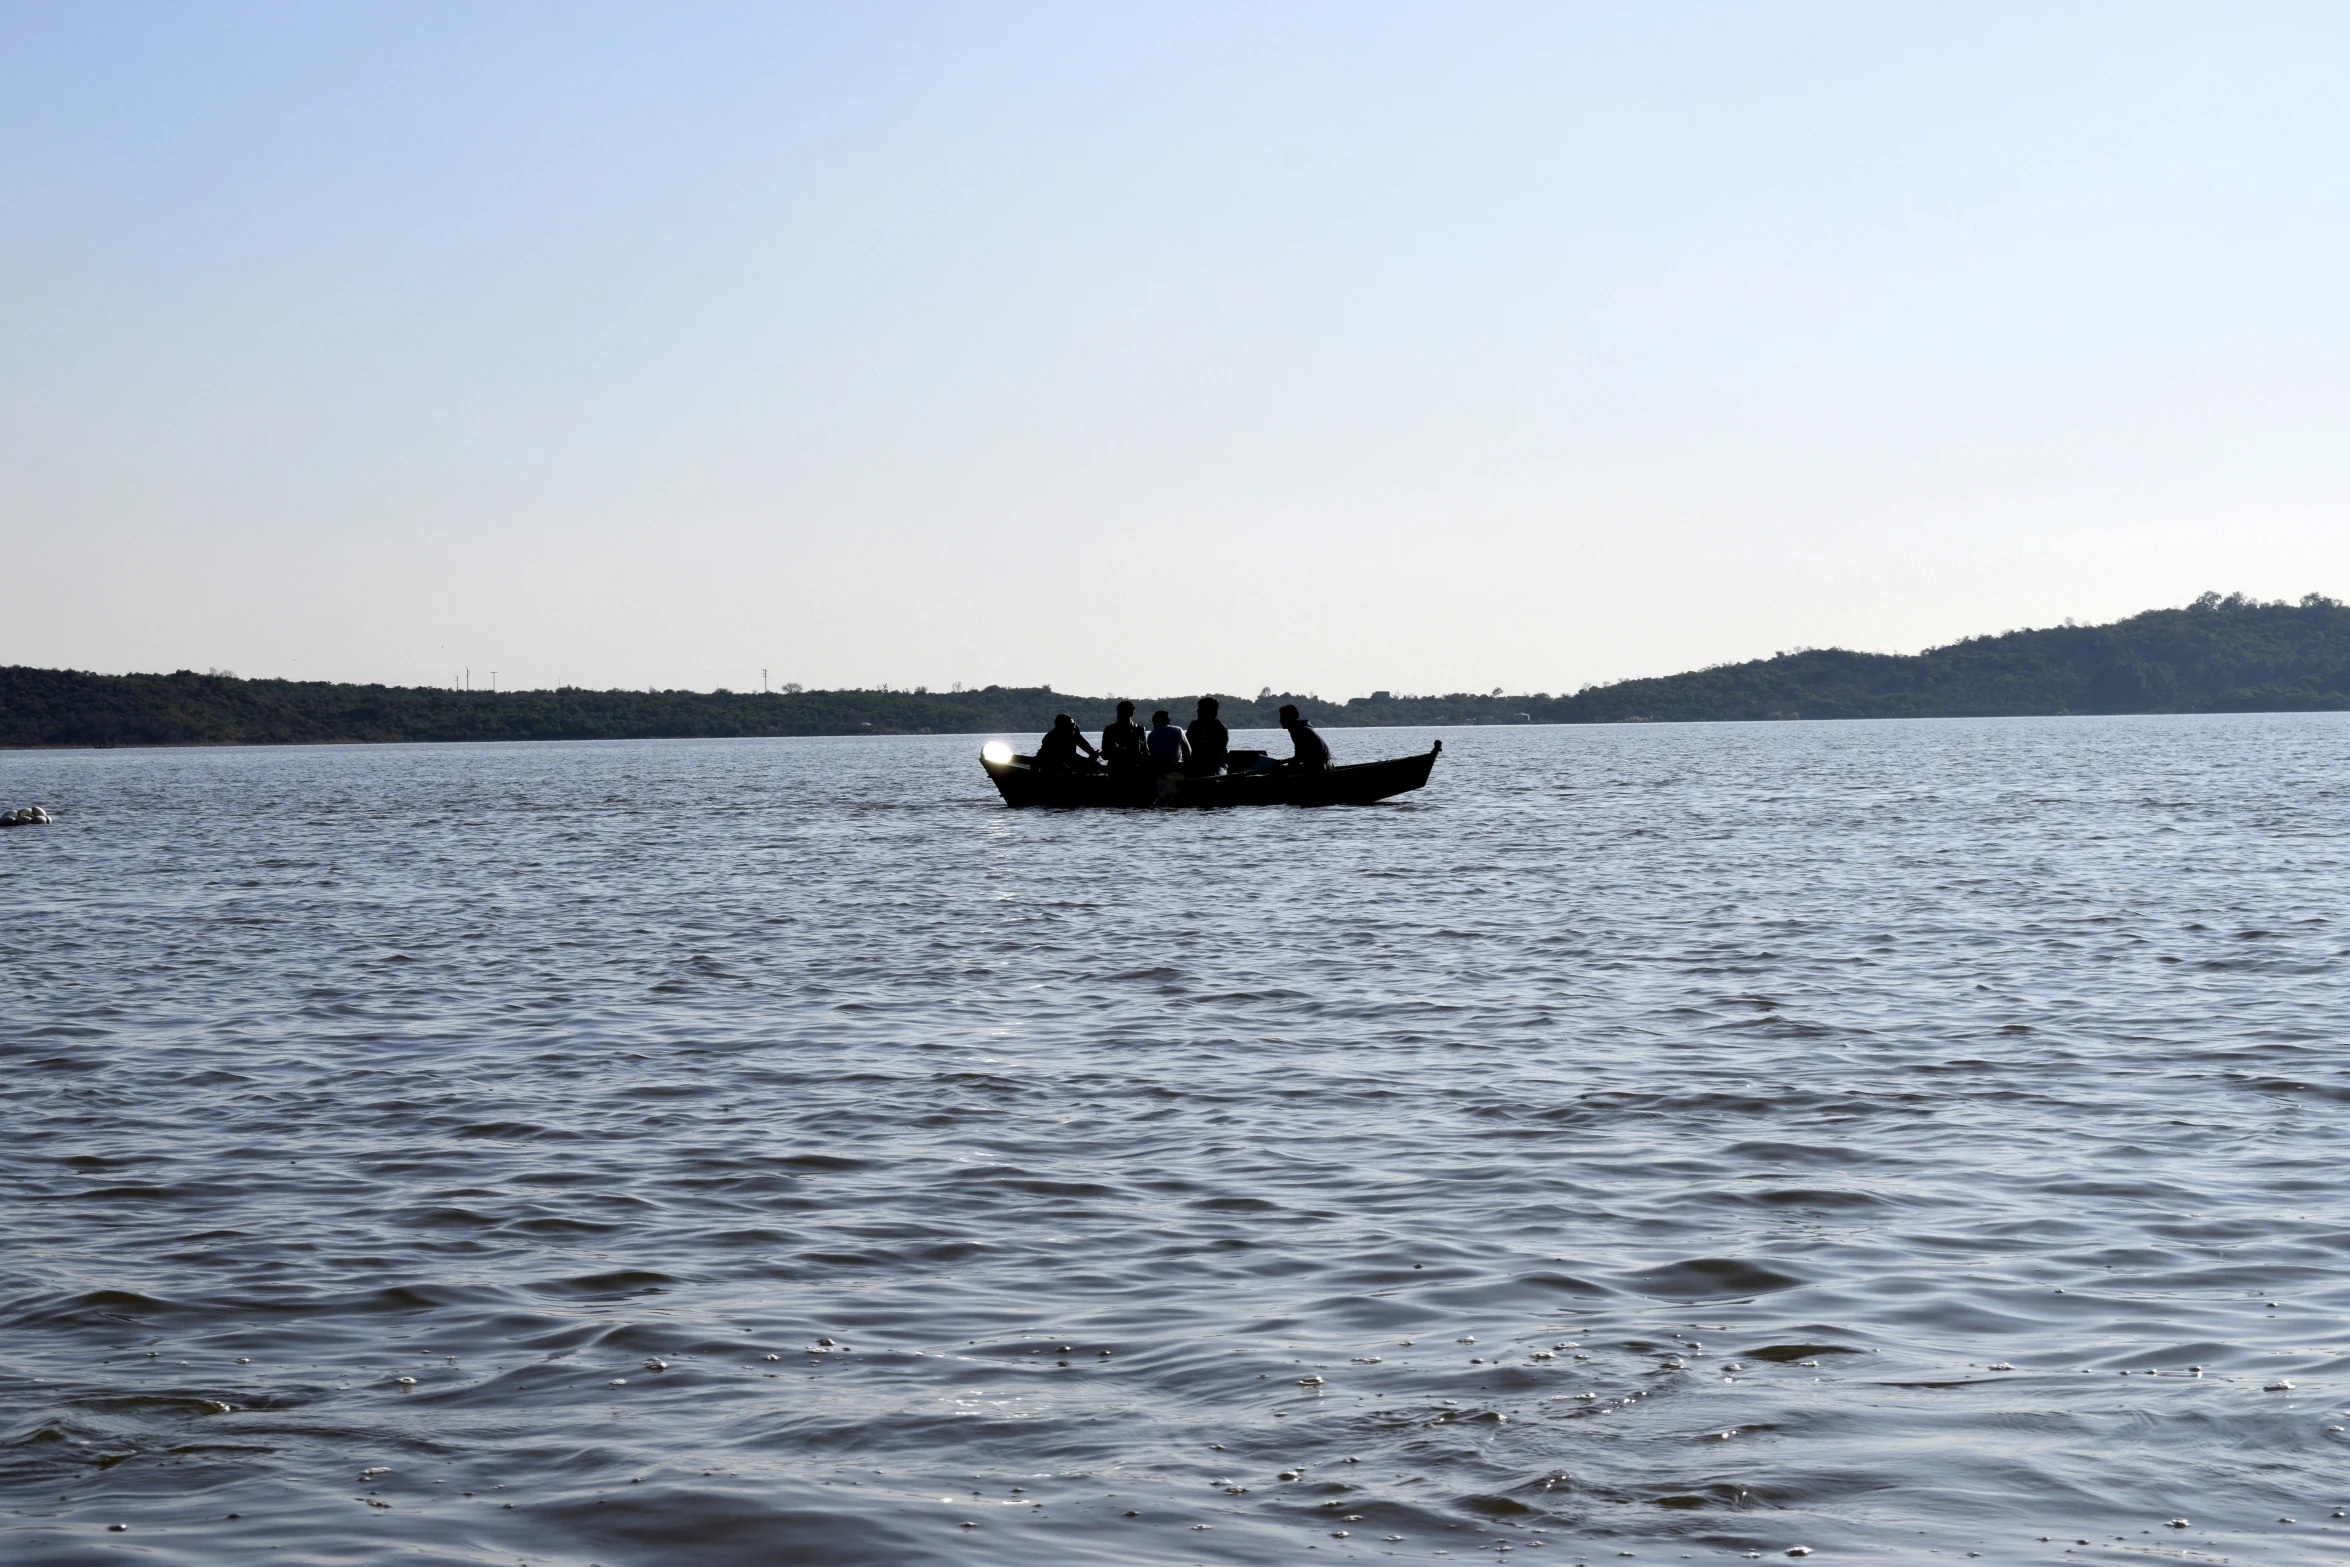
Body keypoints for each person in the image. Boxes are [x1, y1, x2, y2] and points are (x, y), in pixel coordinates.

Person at [1032, 714, 1100, 774]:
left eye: (1074, 725)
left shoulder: (1074, 732)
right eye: (1070, 725)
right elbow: (1041, 756)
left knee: (1096, 765)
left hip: (1071, 759)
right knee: (1063, 768)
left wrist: (1092, 753)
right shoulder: (1050, 738)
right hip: (1052, 761)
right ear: (1061, 726)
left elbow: (1083, 743)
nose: (1073, 727)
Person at [1278, 703, 1331, 770]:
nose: (1280, 721)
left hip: (1321, 766)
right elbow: (1300, 756)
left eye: (1282, 717)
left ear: (1291, 717)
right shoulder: (1302, 727)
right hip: (1327, 764)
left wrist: (1281, 762)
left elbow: (1299, 758)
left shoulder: (1299, 730)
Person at [1100, 701, 1148, 771]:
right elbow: (1105, 754)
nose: (1119, 716)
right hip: (1116, 769)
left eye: (1123, 713)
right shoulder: (1110, 730)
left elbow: (1145, 753)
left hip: (1135, 769)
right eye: (1119, 713)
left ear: (1131, 713)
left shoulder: (1139, 730)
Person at [1186, 697, 1229, 774]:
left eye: (1201, 709)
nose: (1197, 711)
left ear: (1212, 712)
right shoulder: (1194, 726)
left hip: (1216, 765)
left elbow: (1217, 753)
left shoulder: (1220, 729)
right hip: (1195, 764)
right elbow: (1186, 746)